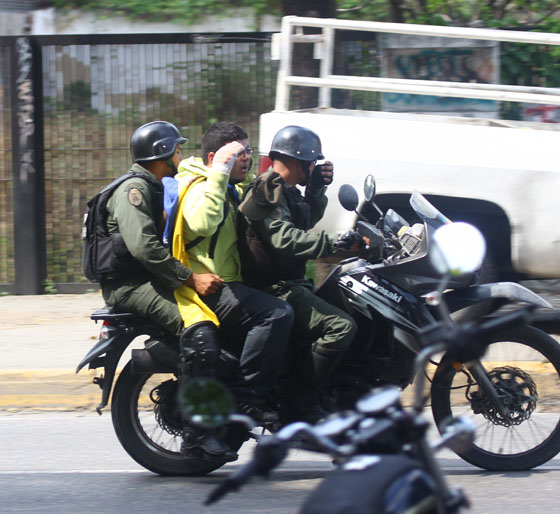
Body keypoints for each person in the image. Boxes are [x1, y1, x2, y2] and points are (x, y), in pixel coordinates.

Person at [95, 120, 232, 459]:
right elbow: (144, 248)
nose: (181, 154)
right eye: (177, 149)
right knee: (199, 331)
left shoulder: (155, 185)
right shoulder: (134, 191)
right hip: (129, 285)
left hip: (149, 278)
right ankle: (197, 431)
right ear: (162, 153)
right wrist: (190, 278)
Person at [237, 124, 365, 422]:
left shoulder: (287, 190)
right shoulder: (266, 189)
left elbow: (305, 219)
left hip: (291, 282)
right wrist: (333, 241)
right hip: (274, 287)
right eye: (311, 162)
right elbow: (284, 238)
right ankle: (302, 405)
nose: (314, 166)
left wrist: (317, 187)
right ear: (298, 160)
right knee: (341, 327)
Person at [174, 121, 295, 431]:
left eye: (248, 151)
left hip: (234, 282)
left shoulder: (230, 185)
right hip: (208, 288)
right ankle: (248, 398)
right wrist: (218, 172)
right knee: (276, 315)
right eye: (237, 153)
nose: (246, 158)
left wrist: (315, 184)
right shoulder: (197, 186)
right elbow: (202, 223)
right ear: (215, 156)